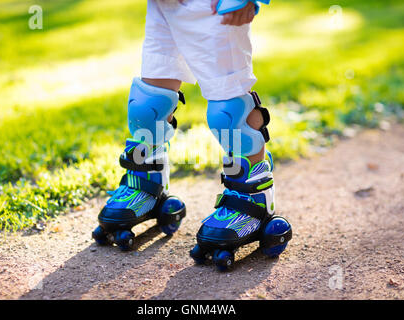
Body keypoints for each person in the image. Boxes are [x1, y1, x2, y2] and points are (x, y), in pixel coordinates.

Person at [93, 0, 292, 271]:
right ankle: (144, 184)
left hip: (213, 8)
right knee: (146, 106)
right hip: (163, 6)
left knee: (229, 113)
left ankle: (253, 200)